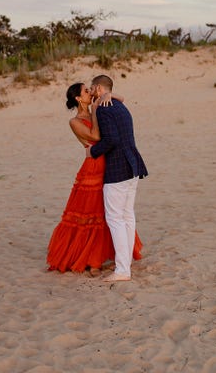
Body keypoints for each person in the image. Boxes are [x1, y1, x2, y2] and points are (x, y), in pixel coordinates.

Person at [46, 82, 142, 274]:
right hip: (93, 166)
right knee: (91, 213)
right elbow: (95, 135)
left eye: (91, 89)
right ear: (78, 98)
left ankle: (106, 256)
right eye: (86, 91)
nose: (90, 93)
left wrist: (109, 96)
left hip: (107, 163)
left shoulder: (97, 108)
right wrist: (97, 110)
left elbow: (121, 99)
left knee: (106, 212)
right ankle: (90, 259)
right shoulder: (75, 121)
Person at [86, 74, 148, 283]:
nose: (91, 92)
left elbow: (111, 139)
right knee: (127, 216)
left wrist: (92, 152)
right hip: (133, 165)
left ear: (98, 88)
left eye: (92, 88)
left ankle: (122, 270)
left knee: (115, 219)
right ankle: (126, 262)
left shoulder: (104, 108)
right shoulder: (120, 106)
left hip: (118, 168)